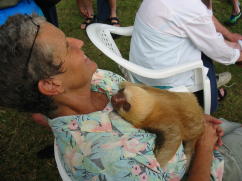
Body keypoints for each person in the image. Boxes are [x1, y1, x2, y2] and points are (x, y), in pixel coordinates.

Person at [0, 14, 241, 180]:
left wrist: (193, 121)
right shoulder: (109, 162)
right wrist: (205, 145)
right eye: (66, 46)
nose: (78, 41)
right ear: (52, 85)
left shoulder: (94, 79)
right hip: (206, 165)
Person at [129, 0, 242, 114]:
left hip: (140, 69)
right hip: (162, 78)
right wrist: (238, 56)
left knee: (201, 40)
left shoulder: (191, 7)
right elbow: (217, 50)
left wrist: (230, 37)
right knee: (204, 52)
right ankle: (207, 96)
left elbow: (203, 20)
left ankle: (210, 86)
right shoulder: (193, 8)